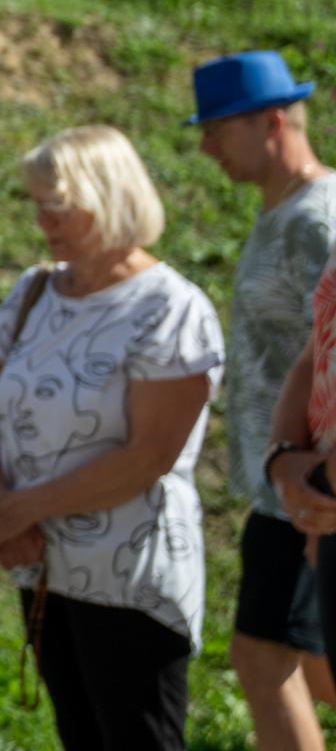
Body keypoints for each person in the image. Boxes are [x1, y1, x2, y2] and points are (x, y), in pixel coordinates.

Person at [0, 125, 220, 751]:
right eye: (36, 203)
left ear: (108, 196)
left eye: (58, 203)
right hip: (42, 562)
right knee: (79, 734)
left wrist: (16, 510)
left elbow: (149, 457)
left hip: (129, 577)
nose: (43, 219)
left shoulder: (170, 309)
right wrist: (2, 513)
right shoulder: (36, 289)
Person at [188, 52, 336, 751]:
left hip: (312, 488)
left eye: (217, 128)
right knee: (278, 659)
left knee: (275, 659)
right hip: (286, 482)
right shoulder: (285, 212)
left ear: (273, 121)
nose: (205, 147)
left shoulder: (319, 221)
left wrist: (315, 481)